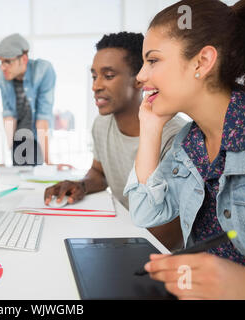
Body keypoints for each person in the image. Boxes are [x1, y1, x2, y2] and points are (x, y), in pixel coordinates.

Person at [123, 0, 245, 299]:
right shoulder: (189, 142)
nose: (140, 76)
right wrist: (150, 127)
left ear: (202, 62)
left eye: (153, 60)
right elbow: (145, 214)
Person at [44, 32, 186, 250]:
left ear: (140, 79)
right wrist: (81, 185)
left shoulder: (175, 136)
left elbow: (173, 229)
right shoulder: (102, 125)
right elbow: (99, 173)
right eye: (94, 76)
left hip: (156, 253)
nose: (96, 86)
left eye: (108, 76)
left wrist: (117, 245)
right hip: (123, 235)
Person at [0, 33, 56, 166]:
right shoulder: (2, 74)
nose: (3, 67)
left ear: (24, 59)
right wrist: (5, 155)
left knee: (34, 177)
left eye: (7, 61)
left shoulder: (43, 70)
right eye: (1, 61)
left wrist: (48, 161)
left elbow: (42, 117)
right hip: (18, 139)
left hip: (37, 138)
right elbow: (9, 114)